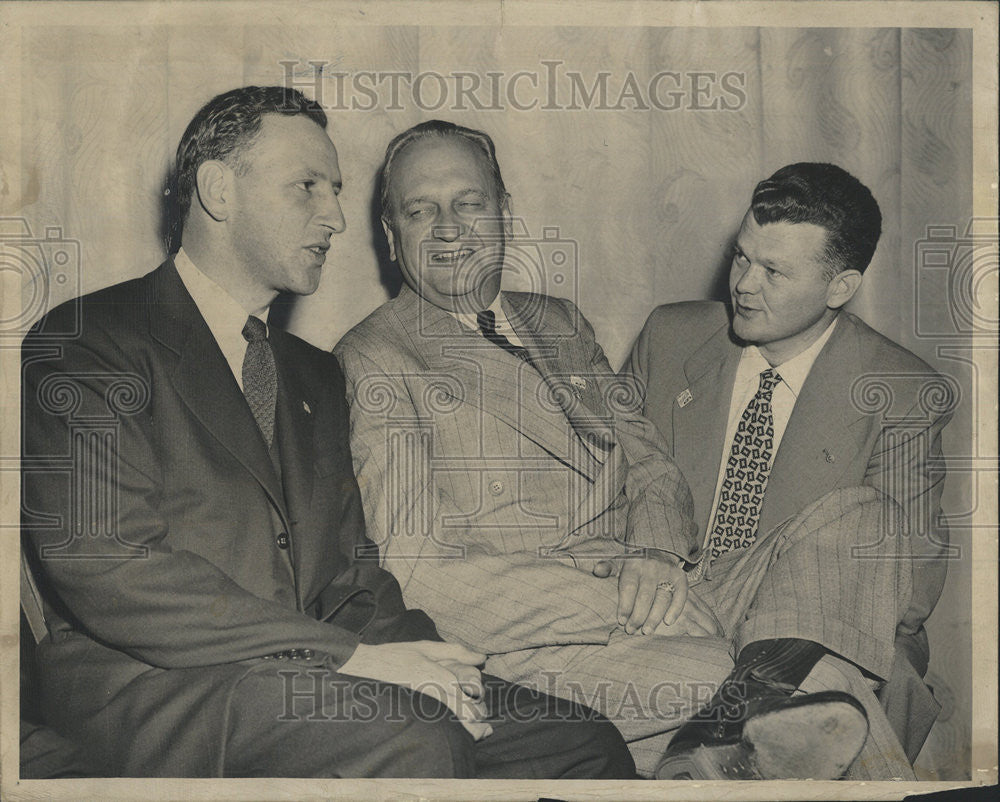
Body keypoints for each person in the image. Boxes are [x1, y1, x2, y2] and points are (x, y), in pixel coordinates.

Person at [20, 86, 634, 779]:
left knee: (579, 740)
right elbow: (112, 568)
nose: (337, 217)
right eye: (307, 187)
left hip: (307, 682)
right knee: (417, 739)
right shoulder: (88, 344)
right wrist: (349, 657)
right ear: (219, 190)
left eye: (336, 190)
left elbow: (353, 579)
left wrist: (438, 661)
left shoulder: (311, 373)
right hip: (150, 688)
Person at [335, 121, 915, 780]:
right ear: (391, 235)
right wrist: (625, 602)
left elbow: (650, 463)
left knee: (865, 516)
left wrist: (656, 555)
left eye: (468, 203)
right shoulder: (374, 360)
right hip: (547, 643)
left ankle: (732, 717)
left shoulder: (557, 320)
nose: (447, 227)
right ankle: (753, 703)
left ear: (503, 212)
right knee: (814, 683)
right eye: (419, 210)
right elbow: (416, 574)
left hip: (666, 585)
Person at [622, 162, 954, 765]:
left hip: (799, 631)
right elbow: (609, 485)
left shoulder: (899, 390)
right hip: (664, 608)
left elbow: (907, 590)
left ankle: (751, 706)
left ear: (840, 288)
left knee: (863, 516)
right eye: (742, 257)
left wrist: (762, 627)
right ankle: (748, 732)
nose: (744, 285)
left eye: (774, 271)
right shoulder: (669, 336)